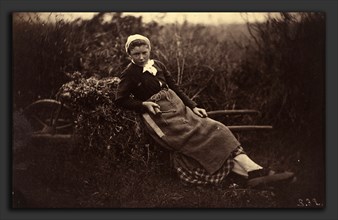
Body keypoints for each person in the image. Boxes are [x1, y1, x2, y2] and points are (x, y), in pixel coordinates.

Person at [115, 34, 295, 188]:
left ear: (149, 50)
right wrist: (143, 105)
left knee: (218, 129)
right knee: (202, 137)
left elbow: (175, 88)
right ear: (129, 54)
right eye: (136, 54)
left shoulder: (158, 65)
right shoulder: (129, 74)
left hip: (180, 110)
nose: (141, 57)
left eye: (144, 52)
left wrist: (193, 106)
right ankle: (256, 173)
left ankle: (254, 172)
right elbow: (120, 99)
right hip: (161, 120)